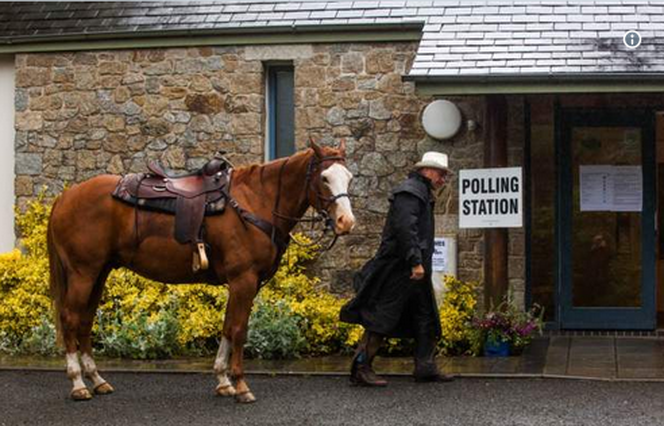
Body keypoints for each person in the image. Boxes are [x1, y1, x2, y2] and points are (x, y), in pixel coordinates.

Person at [340, 151, 454, 387]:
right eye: (441, 174)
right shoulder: (410, 192)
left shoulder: (419, 192)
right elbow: (405, 230)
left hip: (413, 270)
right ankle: (360, 368)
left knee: (425, 317)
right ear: (427, 171)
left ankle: (425, 367)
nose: (443, 179)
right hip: (399, 269)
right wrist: (415, 261)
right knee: (380, 319)